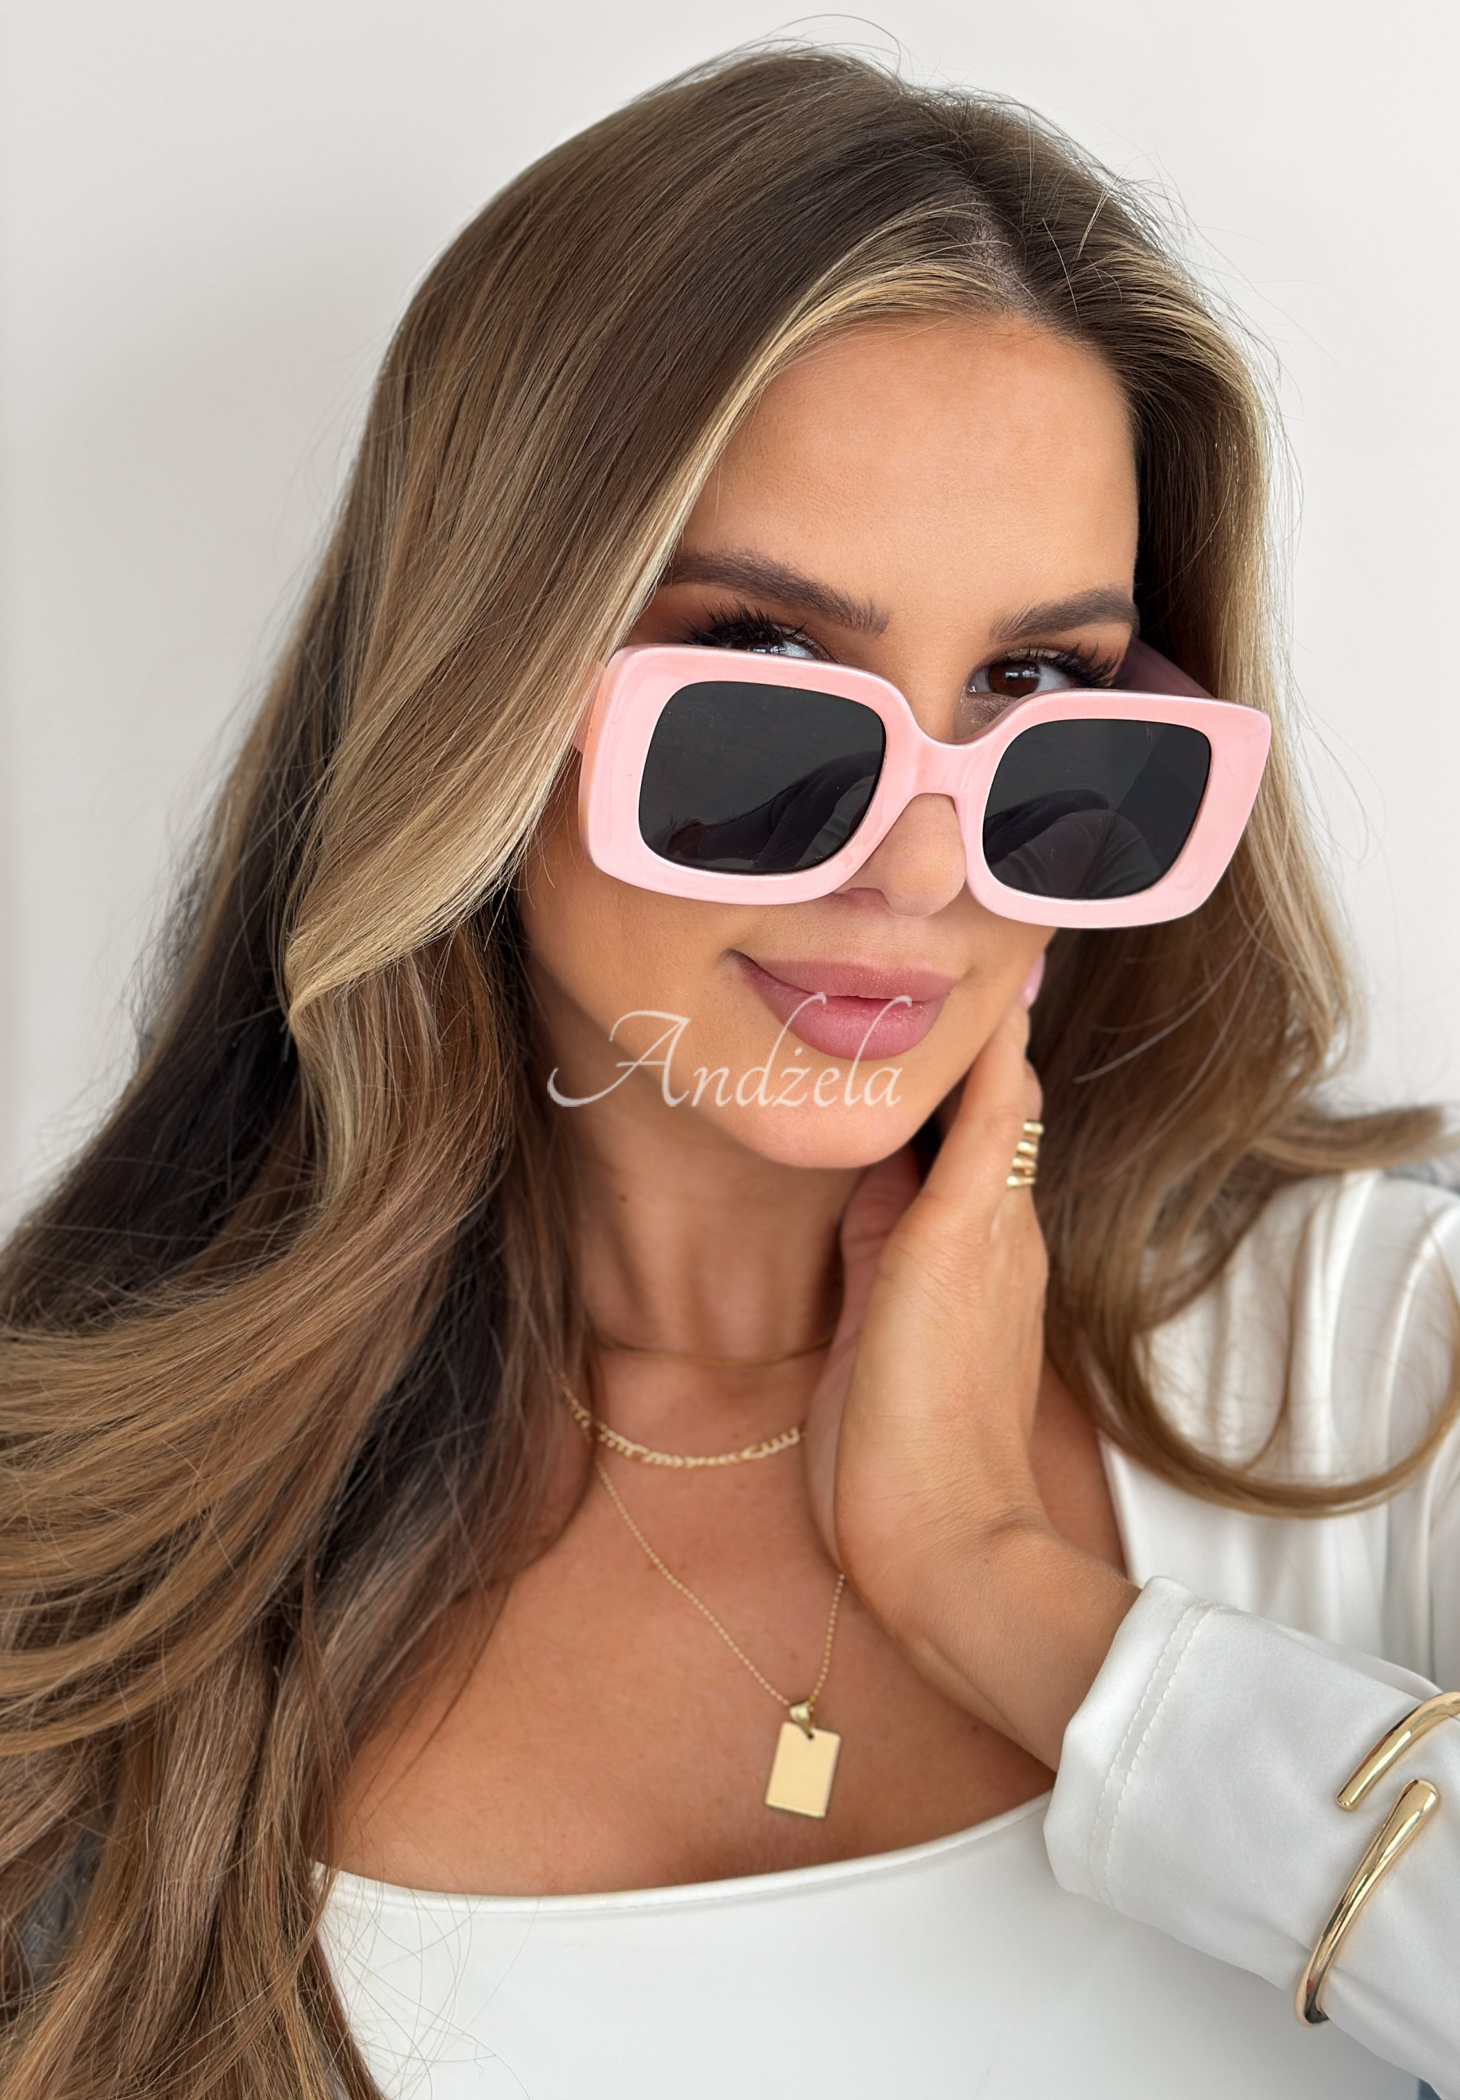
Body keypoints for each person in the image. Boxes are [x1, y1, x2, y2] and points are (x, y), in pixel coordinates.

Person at [2, 46, 1457, 2100]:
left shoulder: (1379, 1370)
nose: (924, 866)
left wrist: (1013, 1599)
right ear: (481, 697)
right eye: (765, 678)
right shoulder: (87, 1550)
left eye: (1037, 687)